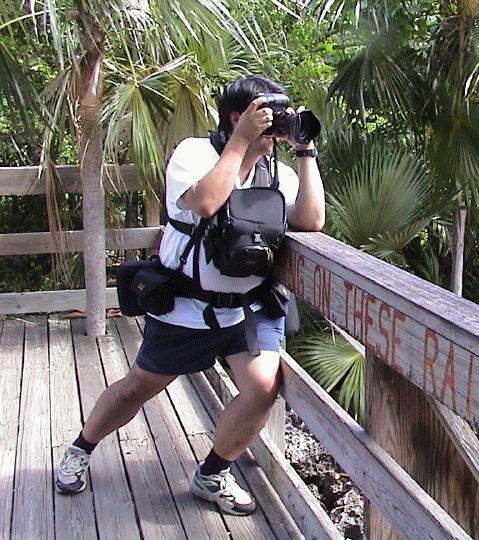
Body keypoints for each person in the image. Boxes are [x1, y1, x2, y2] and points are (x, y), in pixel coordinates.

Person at [53, 75, 325, 516]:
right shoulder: (194, 154)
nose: (278, 124)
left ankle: (212, 474)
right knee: (137, 389)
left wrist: (305, 149)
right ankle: (81, 448)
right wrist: (241, 142)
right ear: (237, 118)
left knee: (262, 387)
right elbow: (205, 203)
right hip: (187, 307)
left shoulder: (279, 173)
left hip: (246, 309)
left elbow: (311, 220)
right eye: (270, 116)